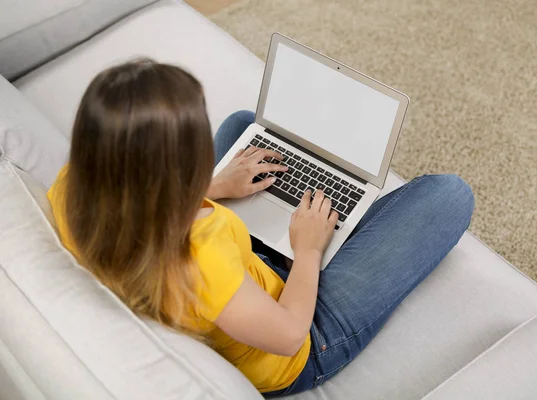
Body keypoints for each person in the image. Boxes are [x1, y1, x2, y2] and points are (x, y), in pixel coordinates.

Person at [48, 59, 474, 396]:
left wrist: (212, 186)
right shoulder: (198, 258)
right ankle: (333, 228)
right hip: (297, 333)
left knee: (242, 125)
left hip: (237, 278)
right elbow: (289, 336)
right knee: (449, 195)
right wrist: (307, 251)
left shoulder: (73, 187)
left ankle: (318, 212)